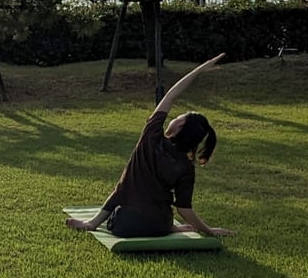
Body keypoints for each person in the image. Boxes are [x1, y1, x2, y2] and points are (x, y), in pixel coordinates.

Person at [66, 53, 235, 239]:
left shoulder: (151, 137)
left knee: (126, 183)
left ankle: (92, 223)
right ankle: (171, 228)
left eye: (177, 118)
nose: (173, 119)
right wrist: (209, 230)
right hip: (160, 225)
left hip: (125, 226)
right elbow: (184, 209)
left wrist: (199, 70)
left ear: (178, 127)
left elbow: (171, 95)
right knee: (135, 189)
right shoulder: (186, 167)